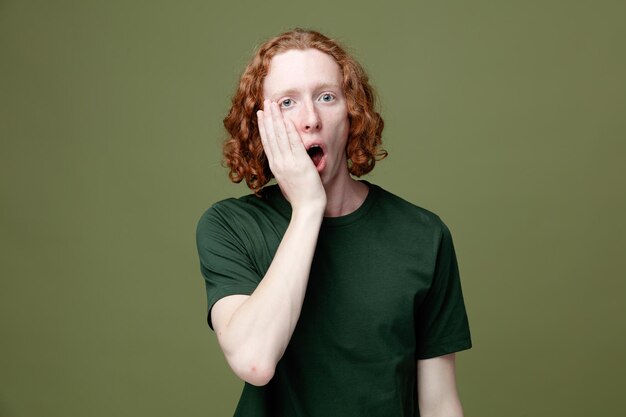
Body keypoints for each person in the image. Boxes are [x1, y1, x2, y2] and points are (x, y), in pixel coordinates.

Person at [196, 28, 472, 416]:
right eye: (287, 102)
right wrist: (309, 207)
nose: (310, 119)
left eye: (326, 97)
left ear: (351, 112)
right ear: (261, 124)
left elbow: (440, 402)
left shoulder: (423, 234)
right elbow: (254, 360)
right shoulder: (230, 226)